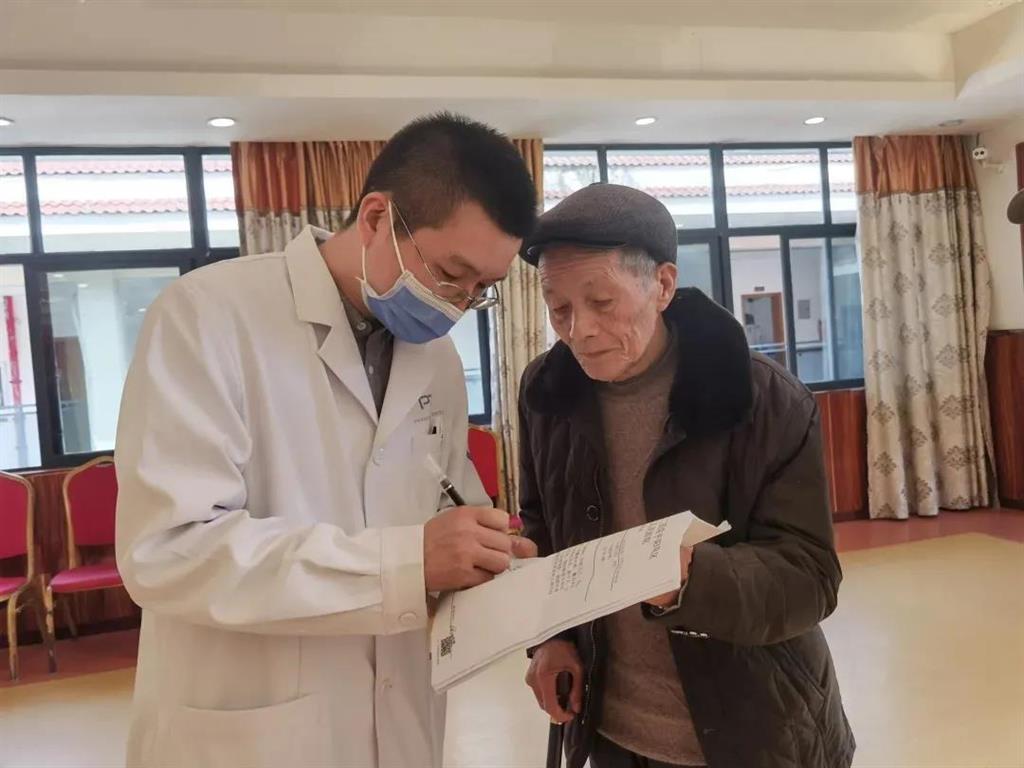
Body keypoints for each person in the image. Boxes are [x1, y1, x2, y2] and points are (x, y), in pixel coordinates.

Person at [114, 113, 539, 768]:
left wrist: (485, 556)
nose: (458, 304)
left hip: (400, 715)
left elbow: (444, 497)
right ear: (376, 218)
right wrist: (405, 565)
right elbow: (169, 550)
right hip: (254, 729)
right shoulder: (209, 315)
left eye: (483, 289)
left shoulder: (436, 360)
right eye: (450, 273)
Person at [518, 184, 855, 768]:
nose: (579, 331)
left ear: (663, 285)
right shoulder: (547, 391)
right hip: (611, 729)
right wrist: (551, 638)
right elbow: (542, 526)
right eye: (559, 308)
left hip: (757, 728)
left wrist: (690, 579)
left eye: (602, 301)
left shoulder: (764, 399)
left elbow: (810, 576)